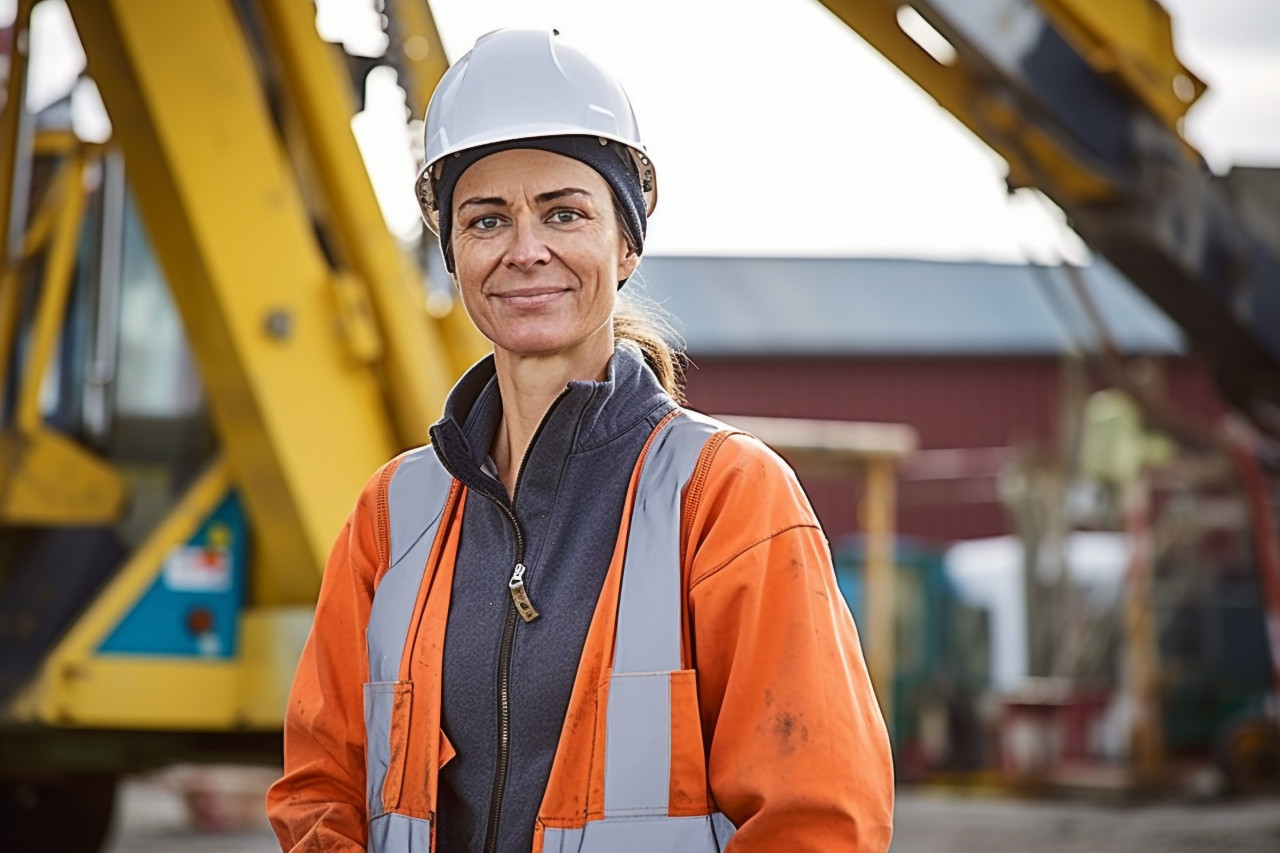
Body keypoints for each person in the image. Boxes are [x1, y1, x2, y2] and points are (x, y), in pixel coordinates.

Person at [266, 28, 893, 853]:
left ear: (625, 243)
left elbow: (817, 818)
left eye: (563, 212)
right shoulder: (394, 513)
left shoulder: (724, 497)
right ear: (453, 253)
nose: (526, 250)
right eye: (486, 219)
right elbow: (322, 784)